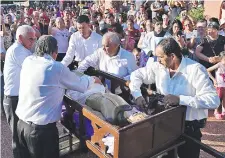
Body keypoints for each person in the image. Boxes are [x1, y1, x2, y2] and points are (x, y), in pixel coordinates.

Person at [129, 38, 220, 158]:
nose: (157, 60)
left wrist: (181, 99)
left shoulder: (196, 70)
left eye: (160, 57)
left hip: (189, 129)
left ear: (172, 56)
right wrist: (137, 95)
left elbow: (214, 100)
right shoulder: (158, 67)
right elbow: (136, 75)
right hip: (166, 125)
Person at [15, 35, 101, 158]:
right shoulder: (55, 67)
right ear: (55, 53)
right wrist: (93, 79)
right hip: (41, 131)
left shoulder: (28, 61)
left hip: (22, 125)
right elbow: (81, 85)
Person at [3, 25, 36, 158]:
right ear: (21, 38)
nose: (33, 42)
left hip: (18, 98)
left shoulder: (22, 49)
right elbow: (35, 68)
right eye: (31, 39)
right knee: (18, 138)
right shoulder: (18, 50)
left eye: (34, 39)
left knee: (23, 135)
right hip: (14, 99)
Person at [207, 51, 225, 120]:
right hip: (219, 85)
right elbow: (207, 70)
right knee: (218, 99)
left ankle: (223, 111)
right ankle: (216, 111)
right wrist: (214, 80)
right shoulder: (219, 65)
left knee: (224, 99)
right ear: (221, 59)